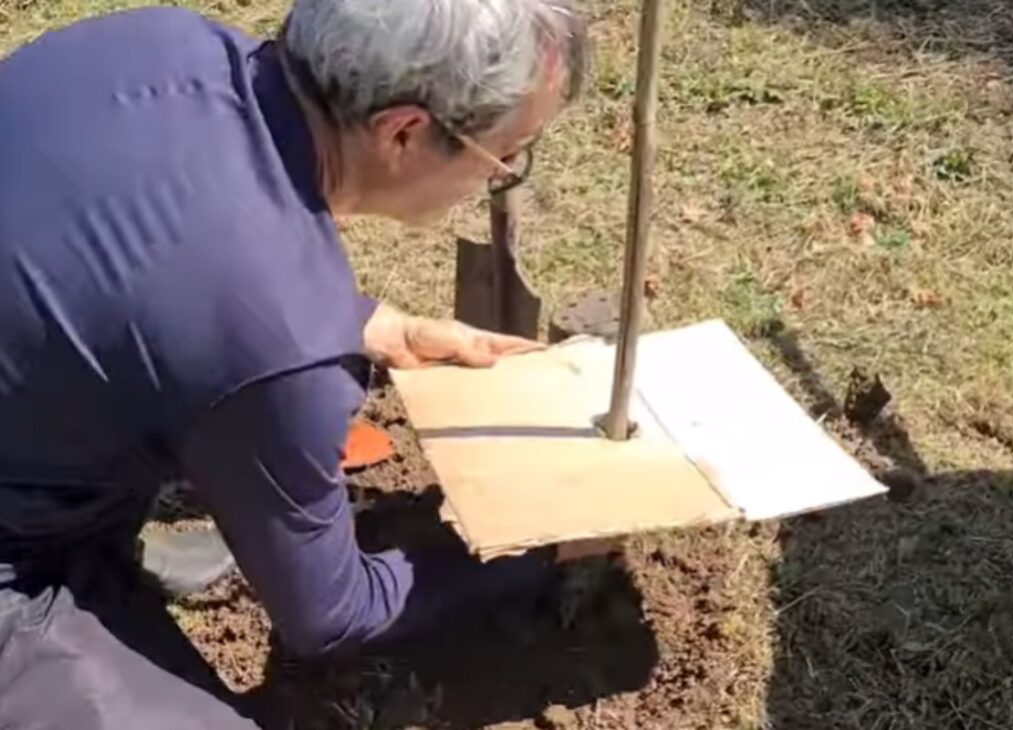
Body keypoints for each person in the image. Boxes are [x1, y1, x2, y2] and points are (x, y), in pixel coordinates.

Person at [0, 0, 588, 727]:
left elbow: (143, 254)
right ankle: (65, 579)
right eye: (506, 156)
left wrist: (378, 323)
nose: (498, 178)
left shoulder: (158, 42)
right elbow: (333, 617)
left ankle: (93, 555)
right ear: (403, 131)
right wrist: (534, 551)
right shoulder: (277, 350)